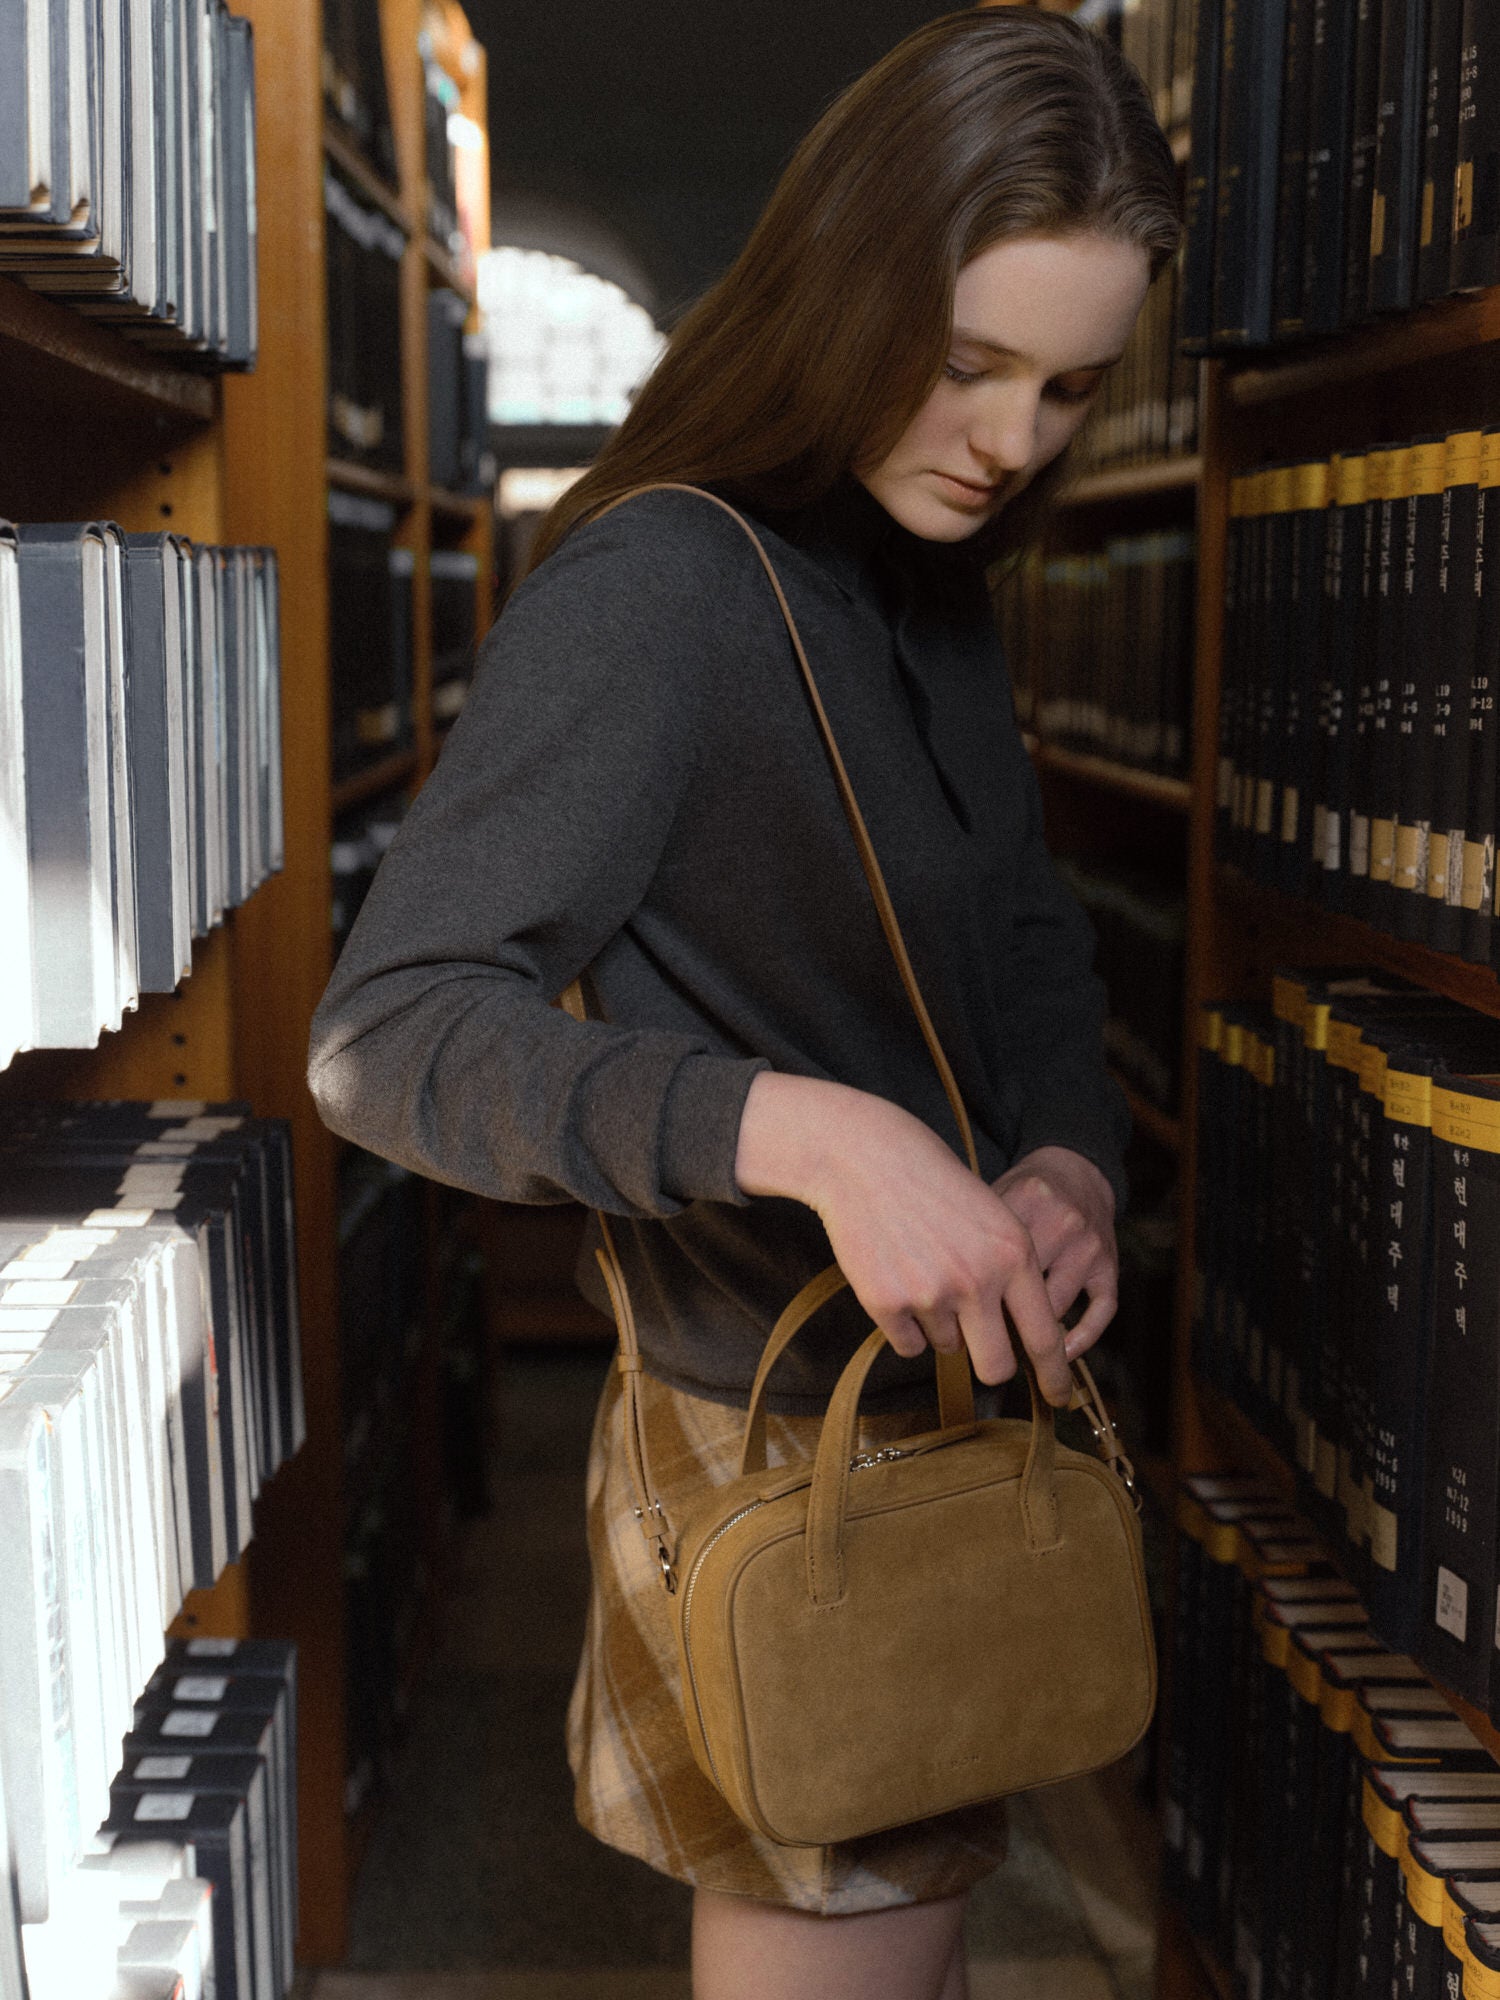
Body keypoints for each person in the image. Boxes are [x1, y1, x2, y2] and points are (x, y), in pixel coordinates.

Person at [308, 10, 1179, 1996]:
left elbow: (1024, 932)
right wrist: (804, 1132)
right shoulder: (663, 592)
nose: (1012, 441)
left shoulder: (927, 574)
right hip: (785, 1458)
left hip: (938, 1425)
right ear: (844, 287)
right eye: (967, 363)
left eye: (1067, 386)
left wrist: (1065, 1158)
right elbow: (388, 1035)